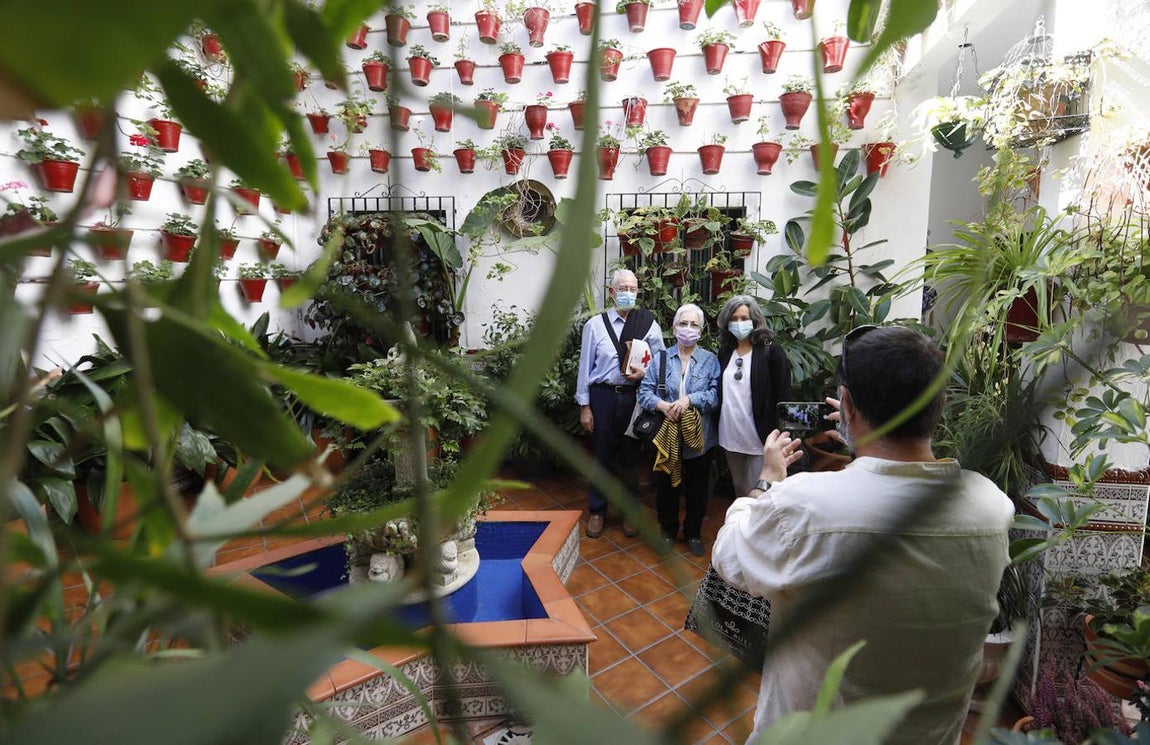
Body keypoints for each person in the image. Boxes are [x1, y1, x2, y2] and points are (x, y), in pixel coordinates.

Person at [710, 325, 1014, 745]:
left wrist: (766, 483)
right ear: (940, 405)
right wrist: (862, 439)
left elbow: (728, 556)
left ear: (846, 404)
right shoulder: (991, 507)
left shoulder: (803, 506)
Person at [575, 269, 665, 538]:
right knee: (601, 457)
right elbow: (584, 367)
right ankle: (598, 511)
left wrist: (645, 374)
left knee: (630, 458)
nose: (628, 293)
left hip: (633, 398)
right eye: (622, 288)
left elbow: (661, 364)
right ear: (612, 292)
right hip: (602, 396)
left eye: (633, 289)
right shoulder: (595, 325)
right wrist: (585, 406)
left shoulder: (648, 323)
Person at [637, 303, 720, 556]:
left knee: (697, 489)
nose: (688, 329)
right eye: (683, 323)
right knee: (666, 487)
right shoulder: (661, 358)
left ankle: (693, 533)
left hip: (700, 438)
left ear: (702, 330)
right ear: (673, 328)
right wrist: (662, 405)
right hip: (667, 436)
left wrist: (689, 400)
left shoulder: (710, 360)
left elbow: (715, 395)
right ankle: (668, 531)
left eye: (694, 324)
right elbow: (644, 392)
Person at [715, 295, 791, 498]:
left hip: (760, 437)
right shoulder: (725, 352)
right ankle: (742, 528)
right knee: (740, 490)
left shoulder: (771, 351)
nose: (739, 323)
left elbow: (783, 394)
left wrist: (781, 434)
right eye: (734, 319)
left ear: (755, 320)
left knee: (761, 494)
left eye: (744, 318)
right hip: (730, 435)